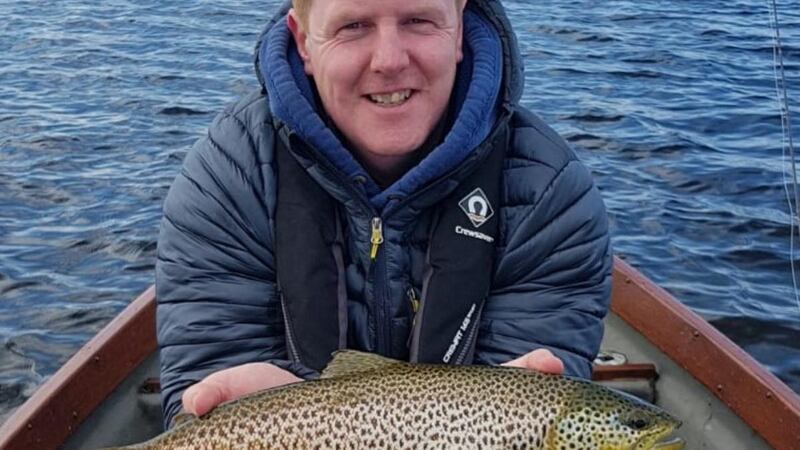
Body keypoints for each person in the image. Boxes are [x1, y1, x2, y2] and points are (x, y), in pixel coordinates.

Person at [155, 0, 612, 428]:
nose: (389, 61)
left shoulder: (550, 192)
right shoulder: (227, 179)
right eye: (353, 26)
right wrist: (254, 419)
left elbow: (543, 378)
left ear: (457, 32)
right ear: (303, 42)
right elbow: (205, 377)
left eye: (418, 20)